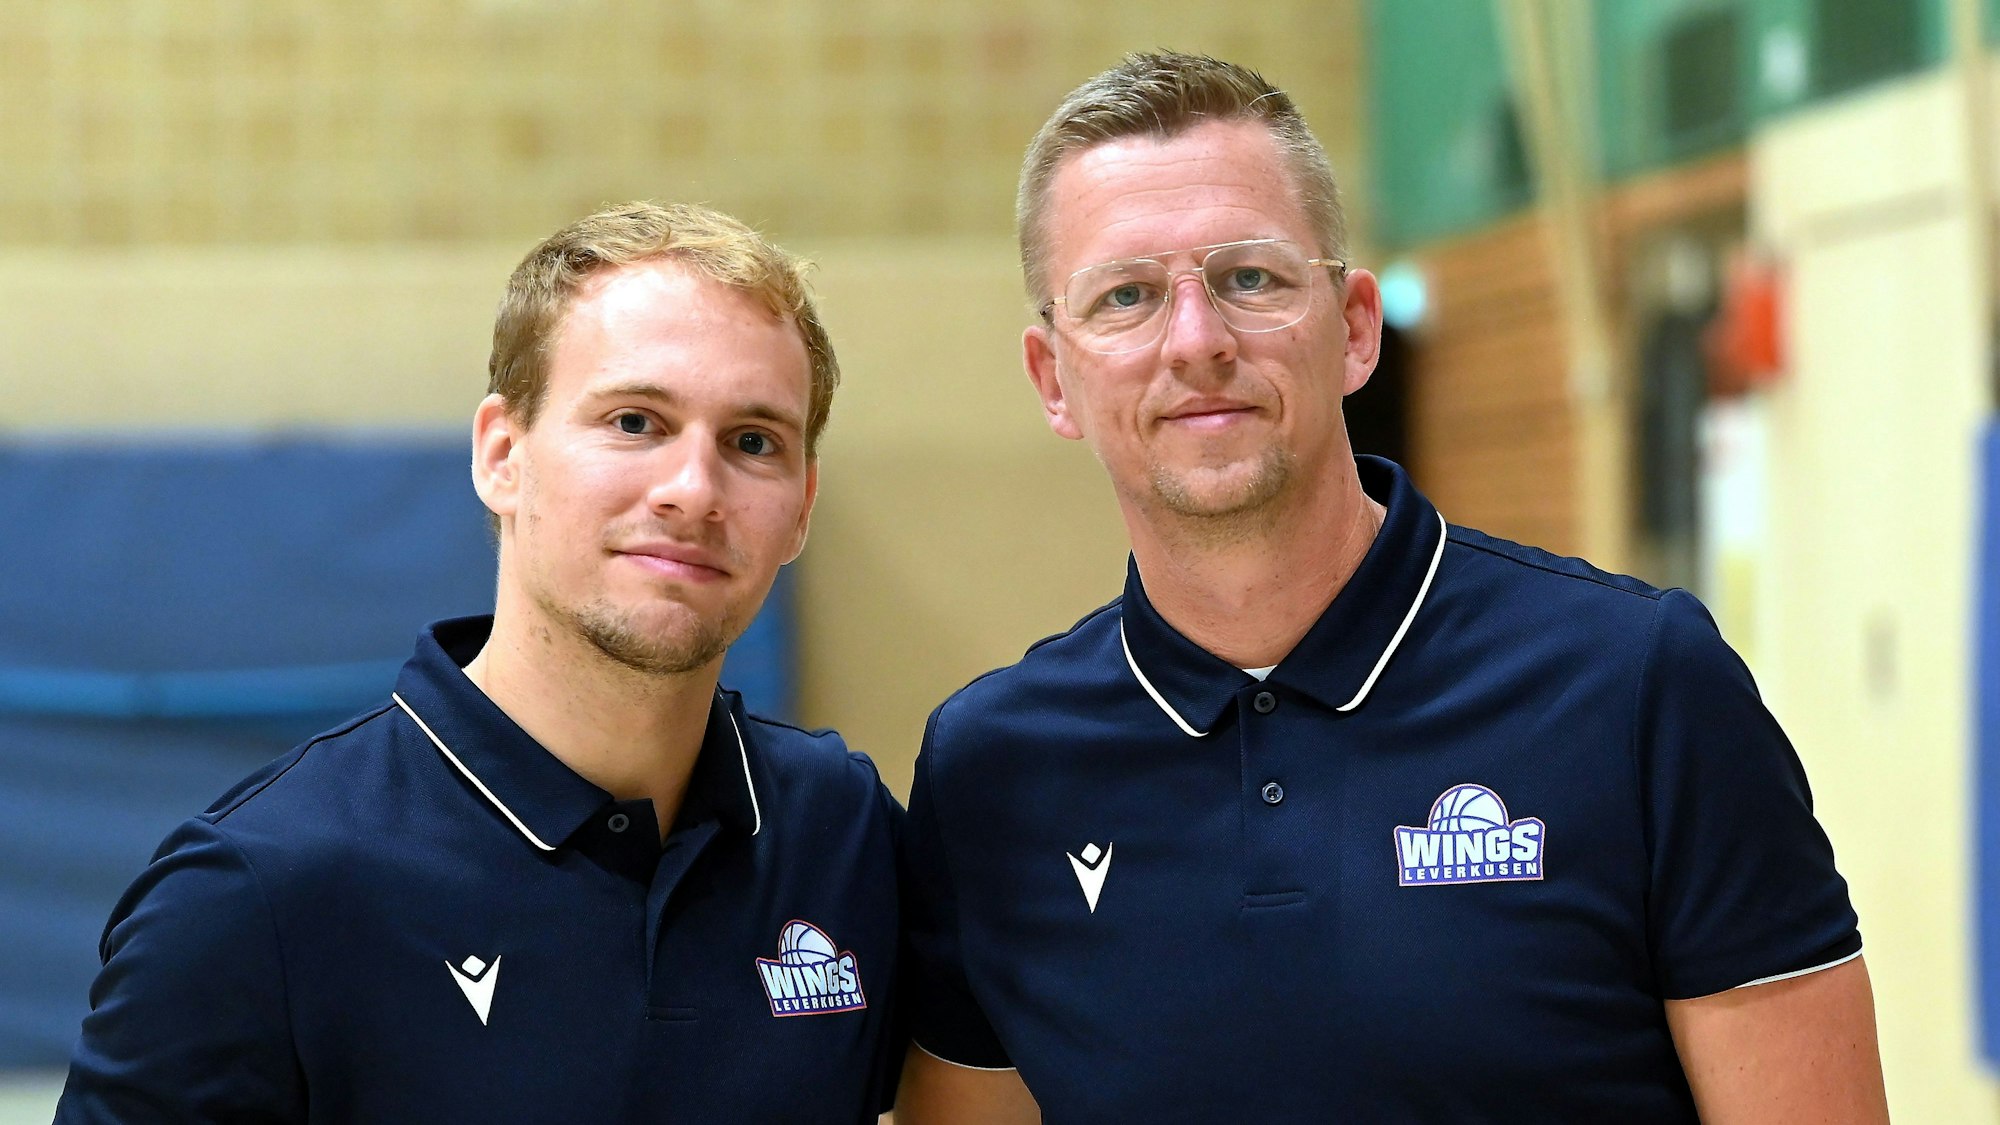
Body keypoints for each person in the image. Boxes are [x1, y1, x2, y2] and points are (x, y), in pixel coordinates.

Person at [895, 52, 1889, 1123]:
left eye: (1249, 279)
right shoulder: (990, 772)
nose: (1196, 341)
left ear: (1354, 328)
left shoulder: (1639, 687)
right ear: (1054, 378)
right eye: (1126, 296)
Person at [57, 202, 902, 1123]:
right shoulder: (259, 891)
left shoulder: (842, 830)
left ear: (803, 506)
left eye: (752, 442)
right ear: (503, 454)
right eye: (634, 420)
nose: (693, 489)